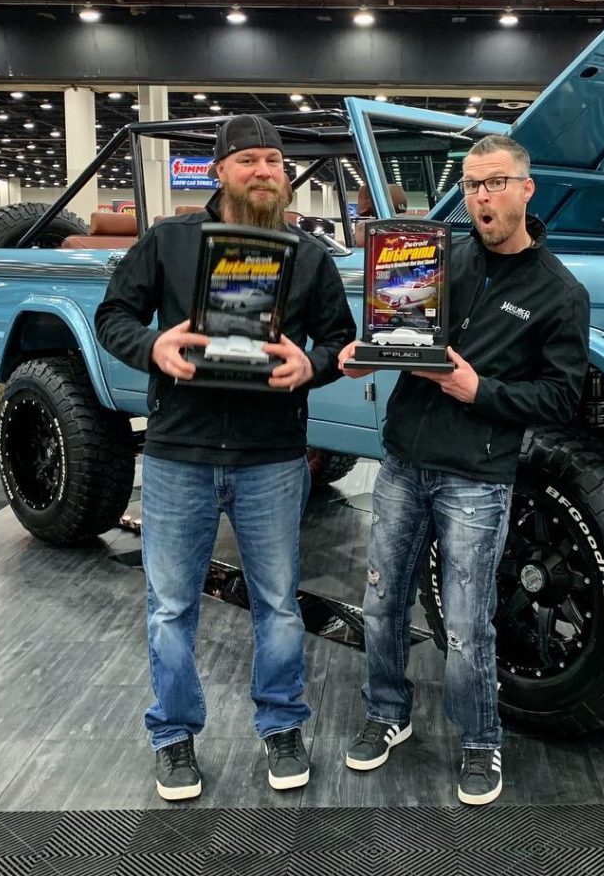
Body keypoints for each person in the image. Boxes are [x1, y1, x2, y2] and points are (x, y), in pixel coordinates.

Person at [95, 115, 355, 801]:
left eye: (274, 160)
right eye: (249, 161)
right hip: (179, 452)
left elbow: (337, 338)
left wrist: (312, 365)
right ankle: (173, 738)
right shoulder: (169, 243)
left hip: (271, 456)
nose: (265, 171)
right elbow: (113, 316)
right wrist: (151, 346)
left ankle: (282, 725)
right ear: (219, 171)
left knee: (277, 602)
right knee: (170, 606)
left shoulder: (308, 254)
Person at [339, 134, 590, 806]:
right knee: (382, 599)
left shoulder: (560, 293)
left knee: (468, 621)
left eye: (497, 183)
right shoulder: (436, 257)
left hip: (476, 477)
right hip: (403, 460)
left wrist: (480, 391)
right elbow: (397, 328)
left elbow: (565, 398)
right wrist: (369, 351)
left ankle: (481, 743)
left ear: (526, 189)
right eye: (474, 185)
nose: (483, 197)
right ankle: (387, 713)